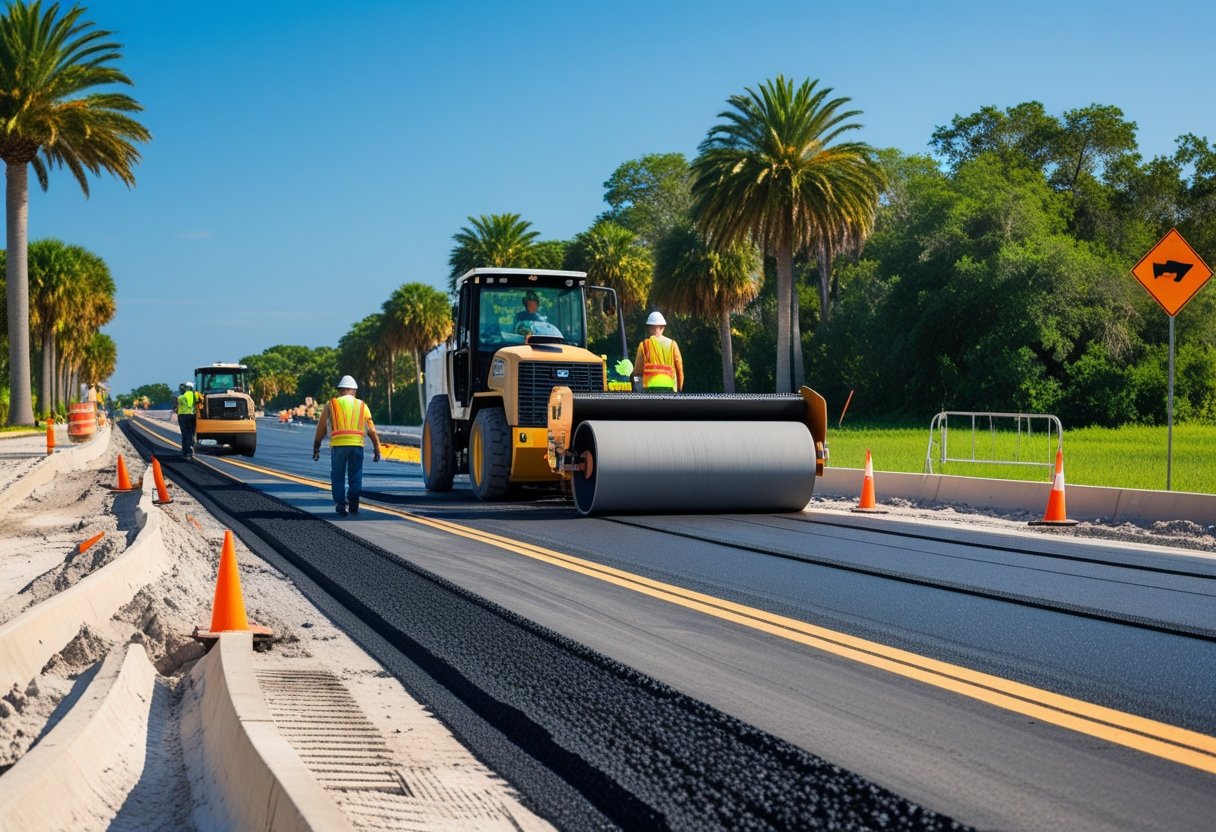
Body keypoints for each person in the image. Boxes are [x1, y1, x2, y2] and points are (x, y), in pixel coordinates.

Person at [313, 375, 382, 516]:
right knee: (355, 476)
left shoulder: (331, 404)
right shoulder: (362, 405)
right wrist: (377, 449)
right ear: (354, 391)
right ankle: (354, 504)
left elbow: (321, 429)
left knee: (338, 475)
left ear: (340, 391)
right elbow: (372, 430)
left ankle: (340, 504)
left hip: (338, 446)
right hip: (357, 446)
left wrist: (316, 447)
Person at [633, 311, 684, 391]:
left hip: (650, 395)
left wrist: (642, 394)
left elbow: (637, 373)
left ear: (649, 328)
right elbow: (679, 370)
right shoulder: (672, 344)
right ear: (663, 327)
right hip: (670, 393)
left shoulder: (643, 345)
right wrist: (679, 391)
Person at [175, 382, 200, 458]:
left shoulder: (180, 397)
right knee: (191, 433)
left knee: (184, 434)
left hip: (183, 416)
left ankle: (185, 451)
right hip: (192, 416)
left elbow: (177, 407)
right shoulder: (195, 395)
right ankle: (191, 446)